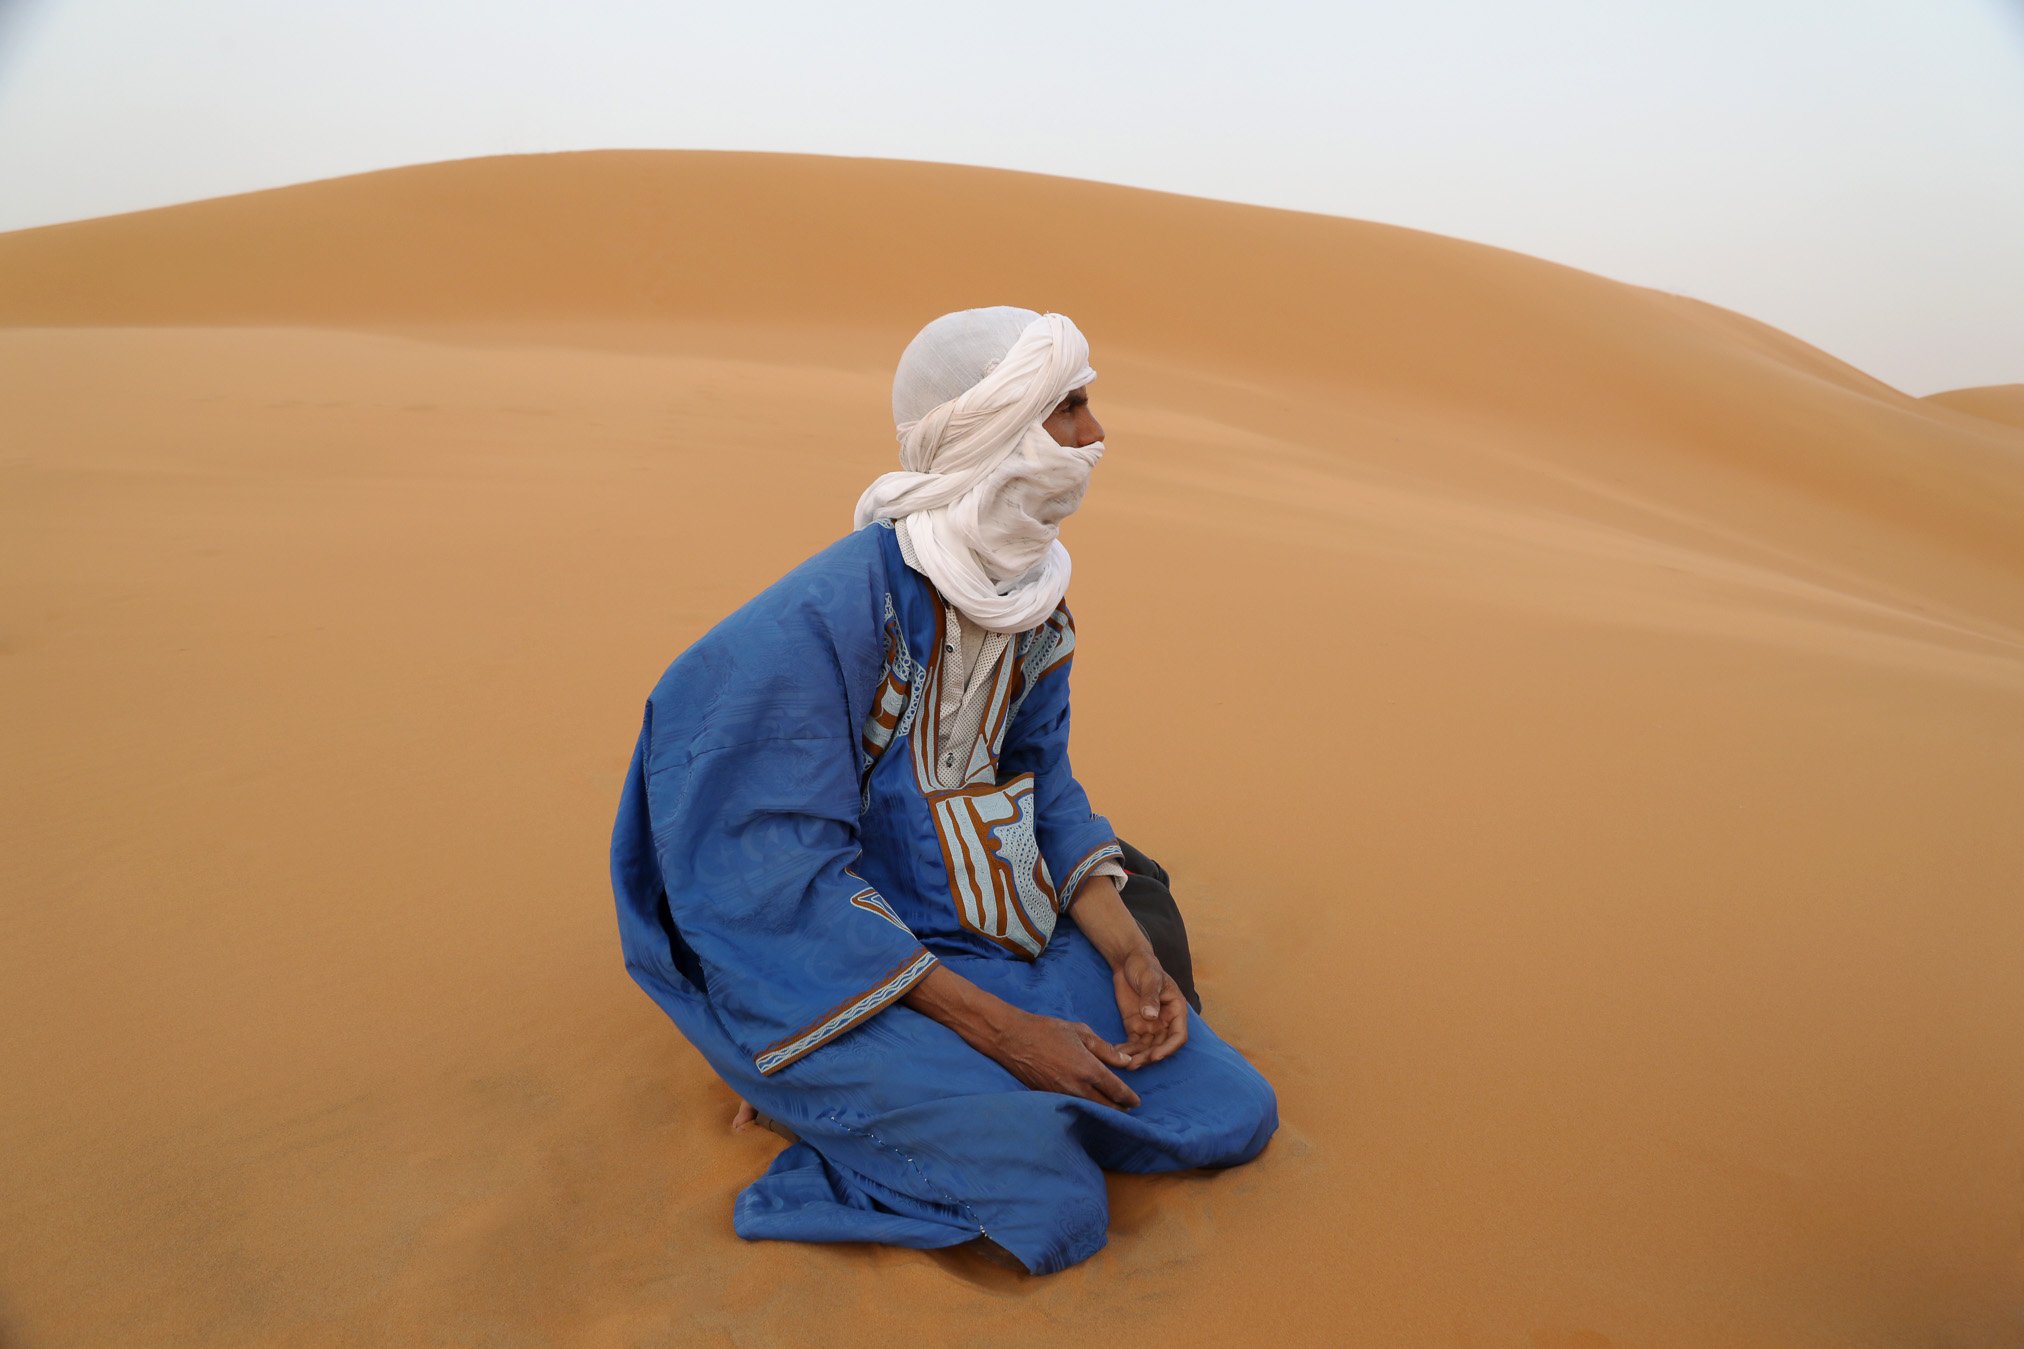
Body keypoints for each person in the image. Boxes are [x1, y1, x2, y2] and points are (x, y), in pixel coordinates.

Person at [610, 307, 1277, 1275]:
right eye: (1071, 408)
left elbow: (1042, 784)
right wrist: (1008, 1036)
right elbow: (768, 874)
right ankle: (826, 1108)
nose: (1094, 436)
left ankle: (920, 1100)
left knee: (1230, 1112)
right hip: (821, 961)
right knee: (1047, 1202)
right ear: (992, 428)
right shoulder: (824, 617)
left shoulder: (1030, 599)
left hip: (983, 934)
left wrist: (1130, 954)